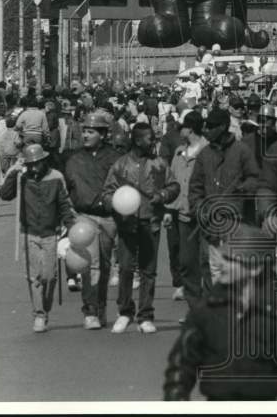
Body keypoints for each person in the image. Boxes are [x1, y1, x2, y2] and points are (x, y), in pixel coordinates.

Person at [162, 224, 277, 401]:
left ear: (255, 268)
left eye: (232, 260)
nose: (222, 264)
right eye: (224, 257)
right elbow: (181, 364)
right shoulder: (208, 308)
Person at [102, 122, 179, 334]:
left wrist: (162, 196)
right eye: (149, 138)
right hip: (127, 225)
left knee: (149, 271)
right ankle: (125, 312)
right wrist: (115, 203)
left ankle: (145, 315)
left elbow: (173, 186)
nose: (153, 141)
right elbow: (107, 192)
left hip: (150, 223)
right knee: (126, 269)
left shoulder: (159, 164)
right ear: (137, 140)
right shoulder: (120, 165)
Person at [0, 144, 78, 333]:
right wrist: (13, 173)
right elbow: (4, 195)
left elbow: (64, 203)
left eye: (37, 164)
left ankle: (46, 310)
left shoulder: (56, 177)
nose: (34, 168)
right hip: (29, 233)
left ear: (43, 161)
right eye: (30, 164)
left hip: (51, 233)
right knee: (35, 277)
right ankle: (39, 314)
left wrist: (71, 226)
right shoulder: (22, 178)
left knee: (49, 277)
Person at [190, 109, 263, 294]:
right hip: (210, 226)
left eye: (211, 126)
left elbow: (255, 178)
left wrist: (243, 189)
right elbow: (195, 188)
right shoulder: (204, 154)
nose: (207, 129)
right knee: (210, 271)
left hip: (236, 223)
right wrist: (201, 210)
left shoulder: (242, 151)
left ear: (222, 127)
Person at [64, 111, 123, 330]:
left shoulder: (115, 158)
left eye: (90, 131)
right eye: (84, 131)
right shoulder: (74, 158)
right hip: (84, 216)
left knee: (105, 265)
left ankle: (100, 308)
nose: (86, 135)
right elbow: (65, 187)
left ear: (103, 134)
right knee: (90, 264)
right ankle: (89, 311)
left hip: (108, 218)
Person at [166, 111, 208, 310]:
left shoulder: (209, 151)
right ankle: (195, 309)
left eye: (183, 126)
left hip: (204, 216)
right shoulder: (179, 152)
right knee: (187, 263)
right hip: (183, 215)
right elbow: (172, 181)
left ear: (190, 128)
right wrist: (168, 210)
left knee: (207, 264)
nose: (179, 130)